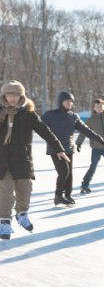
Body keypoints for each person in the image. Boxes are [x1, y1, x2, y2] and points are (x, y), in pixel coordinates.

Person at [0, 81, 67, 238]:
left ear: (21, 96)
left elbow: (45, 130)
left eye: (15, 95)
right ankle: (3, 222)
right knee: (6, 193)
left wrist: (58, 148)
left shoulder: (28, 114)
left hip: (22, 159)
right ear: (4, 95)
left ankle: (22, 214)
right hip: (2, 160)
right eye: (9, 94)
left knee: (25, 190)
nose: (12, 98)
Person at [42, 91, 104, 205]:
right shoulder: (50, 115)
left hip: (69, 148)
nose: (70, 103)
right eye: (67, 101)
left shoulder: (73, 116)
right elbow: (39, 127)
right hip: (56, 149)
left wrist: (99, 138)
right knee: (64, 172)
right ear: (61, 101)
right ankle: (58, 196)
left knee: (69, 173)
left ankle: (67, 195)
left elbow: (85, 129)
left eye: (71, 101)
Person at [76, 98, 104, 194]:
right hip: (96, 148)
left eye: (101, 106)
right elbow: (83, 132)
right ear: (94, 108)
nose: (99, 108)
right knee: (93, 167)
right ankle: (85, 185)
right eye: (97, 106)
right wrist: (79, 143)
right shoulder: (90, 120)